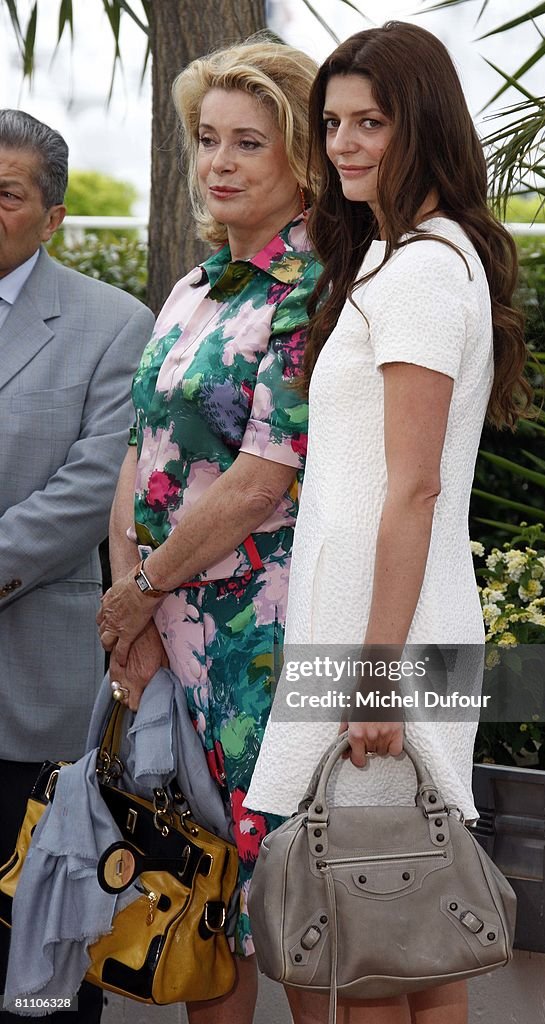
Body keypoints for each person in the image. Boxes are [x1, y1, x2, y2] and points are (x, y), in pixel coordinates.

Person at [245, 22, 532, 1024]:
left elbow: (410, 491)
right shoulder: (414, 257)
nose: (343, 143)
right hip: (388, 623)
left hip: (382, 637)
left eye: (371, 121)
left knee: (365, 941)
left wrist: (373, 671)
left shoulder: (414, 271)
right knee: (400, 925)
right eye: (331, 122)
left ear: (424, 125)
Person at [96, 41, 320, 1024]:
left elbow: (260, 480)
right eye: (206, 140)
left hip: (260, 651)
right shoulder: (191, 289)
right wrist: (130, 614)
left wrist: (141, 589)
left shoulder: (312, 289)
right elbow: (137, 456)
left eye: (248, 144)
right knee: (200, 914)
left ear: (302, 159)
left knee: (298, 922)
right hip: (166, 648)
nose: (218, 163)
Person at [0, 110, 155, 1022]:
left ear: (52, 217)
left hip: (36, 695)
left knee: (40, 961)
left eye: (7, 195)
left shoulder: (112, 324)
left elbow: (89, 491)